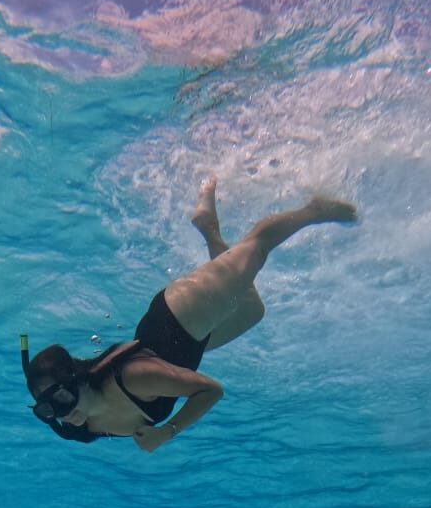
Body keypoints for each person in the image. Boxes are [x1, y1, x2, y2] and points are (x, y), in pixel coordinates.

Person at [23, 178, 358, 451]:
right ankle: (208, 228)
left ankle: (312, 210)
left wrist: (166, 432)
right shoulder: (77, 427)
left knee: (256, 249)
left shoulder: (135, 377)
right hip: (187, 347)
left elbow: (211, 390)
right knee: (252, 310)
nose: (64, 414)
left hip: (179, 316)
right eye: (48, 411)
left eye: (63, 399)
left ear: (77, 378)